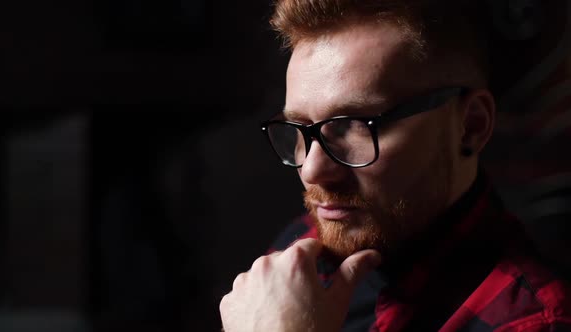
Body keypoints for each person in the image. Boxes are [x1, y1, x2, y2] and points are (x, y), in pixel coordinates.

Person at [219, 0, 571, 331]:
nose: (312, 171)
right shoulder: (299, 249)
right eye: (300, 130)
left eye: (354, 125)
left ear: (471, 126)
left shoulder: (531, 321)